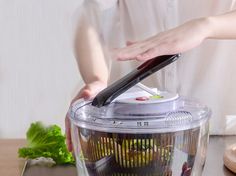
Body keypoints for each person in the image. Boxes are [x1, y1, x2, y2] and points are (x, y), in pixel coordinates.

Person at [66, 0, 236, 151]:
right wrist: (97, 80)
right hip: (134, 130)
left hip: (222, 131)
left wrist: (205, 26)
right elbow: (90, 14)